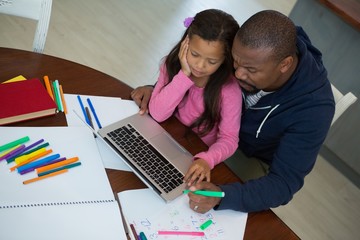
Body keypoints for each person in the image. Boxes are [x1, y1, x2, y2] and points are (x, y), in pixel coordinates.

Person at [131, 10, 335, 213]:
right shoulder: (259, 45)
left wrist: (221, 196)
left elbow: (282, 184)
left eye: (250, 70)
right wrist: (156, 88)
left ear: (285, 64)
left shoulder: (314, 110)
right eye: (234, 62)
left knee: (183, 200)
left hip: (248, 156)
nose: (236, 74)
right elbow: (202, 66)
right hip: (205, 131)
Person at [147, 9, 242, 185]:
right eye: (194, 54)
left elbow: (229, 138)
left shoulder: (229, 91)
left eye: (211, 61)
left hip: (196, 154)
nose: (200, 65)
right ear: (186, 44)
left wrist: (208, 159)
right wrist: (183, 76)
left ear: (224, 60)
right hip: (165, 137)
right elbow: (157, 113)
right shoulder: (172, 64)